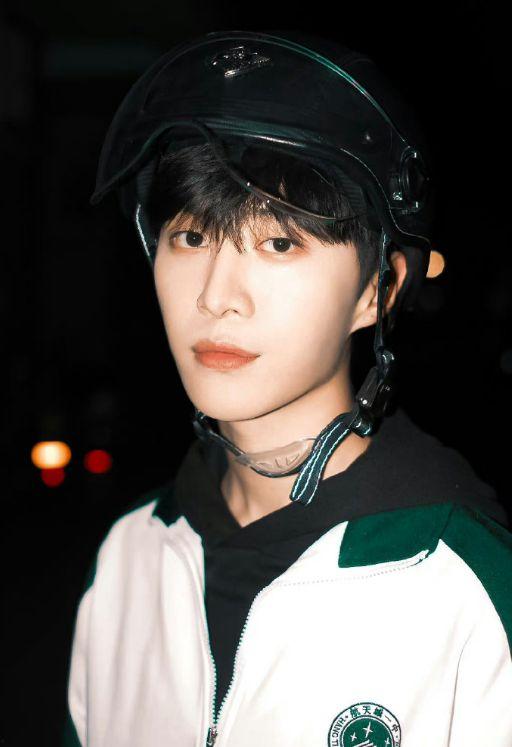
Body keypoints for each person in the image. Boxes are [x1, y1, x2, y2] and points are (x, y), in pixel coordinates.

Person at [62, 29, 512, 746]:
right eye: (191, 237)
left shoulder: (468, 588)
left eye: (278, 243)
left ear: (379, 289)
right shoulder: (130, 556)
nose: (217, 296)